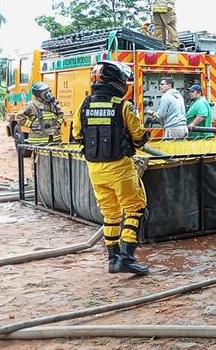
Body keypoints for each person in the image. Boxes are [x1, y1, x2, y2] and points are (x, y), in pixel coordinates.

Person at [72, 60, 150, 275]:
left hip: (95, 170)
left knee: (110, 213)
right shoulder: (122, 105)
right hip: (120, 168)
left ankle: (112, 259)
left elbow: (77, 134)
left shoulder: (84, 105)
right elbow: (139, 137)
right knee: (135, 208)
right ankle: (126, 257)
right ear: (115, 81)